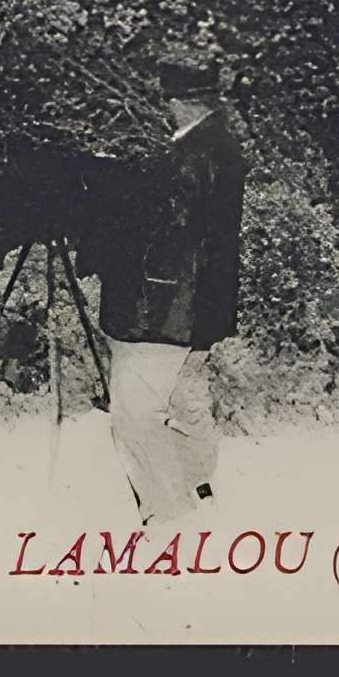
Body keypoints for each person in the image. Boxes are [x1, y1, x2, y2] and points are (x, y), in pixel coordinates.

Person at [91, 47, 247, 523]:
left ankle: (165, 515)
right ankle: (198, 495)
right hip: (200, 311)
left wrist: (102, 195)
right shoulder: (220, 146)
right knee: (185, 403)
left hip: (164, 312)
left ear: (181, 101)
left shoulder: (190, 158)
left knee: (135, 415)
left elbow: (166, 231)